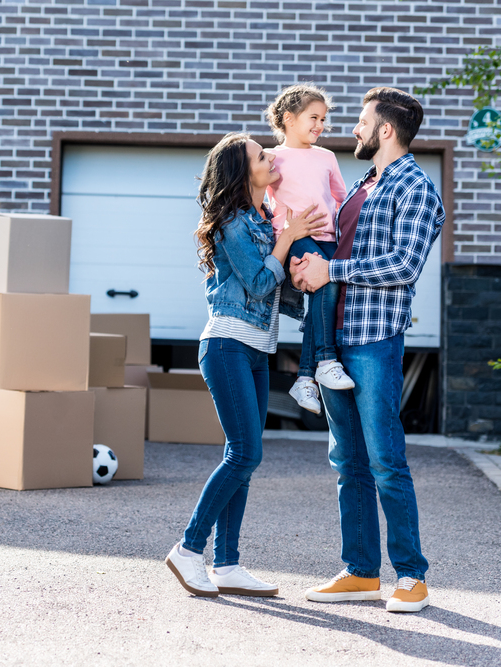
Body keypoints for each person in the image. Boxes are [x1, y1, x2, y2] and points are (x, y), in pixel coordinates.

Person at [290, 87, 444, 613]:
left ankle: (411, 576)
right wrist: (306, 268)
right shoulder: (361, 184)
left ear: (385, 129)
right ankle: (360, 571)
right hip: (331, 338)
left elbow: (403, 267)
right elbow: (332, 250)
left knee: (385, 459)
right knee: (347, 461)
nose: (351, 129)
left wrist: (332, 270)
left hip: (374, 338)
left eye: (360, 121)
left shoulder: (417, 188)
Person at [165, 132, 326, 598]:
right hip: (227, 345)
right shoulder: (233, 222)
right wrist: (289, 239)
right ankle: (189, 549)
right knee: (244, 453)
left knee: (244, 457)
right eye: (261, 155)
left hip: (257, 348)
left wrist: (304, 272)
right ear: (243, 172)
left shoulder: (264, 220)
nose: (271, 156)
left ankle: (228, 564)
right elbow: (257, 285)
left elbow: (278, 292)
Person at [264, 84, 355, 417]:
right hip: (295, 237)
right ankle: (326, 360)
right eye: (313, 118)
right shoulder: (272, 157)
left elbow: (340, 199)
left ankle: (305, 378)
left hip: (327, 236)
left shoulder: (327, 157)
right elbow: (257, 194)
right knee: (326, 285)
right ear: (289, 118)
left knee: (325, 295)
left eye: (323, 120)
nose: (320, 125)